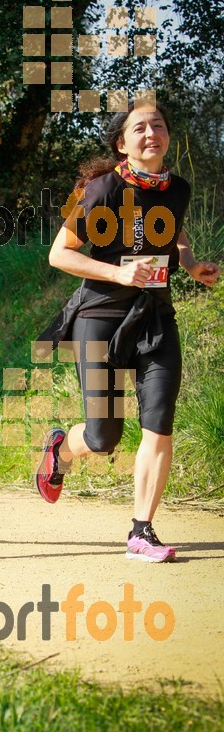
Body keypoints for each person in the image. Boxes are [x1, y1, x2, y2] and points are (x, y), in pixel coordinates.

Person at [35, 101, 220, 562]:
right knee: (103, 437)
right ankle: (61, 448)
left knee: (158, 424)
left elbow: (172, 235)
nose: (151, 132)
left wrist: (191, 263)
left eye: (159, 124)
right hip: (99, 318)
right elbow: (60, 253)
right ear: (122, 143)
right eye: (140, 127)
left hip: (155, 317)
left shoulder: (178, 188)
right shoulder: (100, 189)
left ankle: (142, 531)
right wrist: (118, 274)